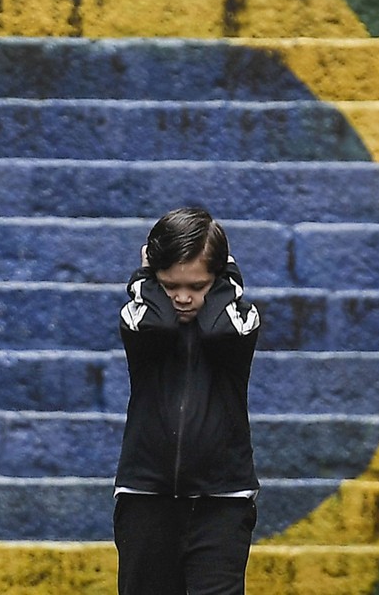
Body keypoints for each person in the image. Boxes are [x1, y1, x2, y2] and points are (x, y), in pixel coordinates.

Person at [114, 207, 261, 595]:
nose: (182, 298)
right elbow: (157, 323)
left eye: (197, 287)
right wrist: (147, 278)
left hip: (222, 500)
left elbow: (217, 332)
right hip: (146, 497)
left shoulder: (241, 322)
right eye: (169, 285)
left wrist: (225, 277)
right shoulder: (139, 319)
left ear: (218, 277)